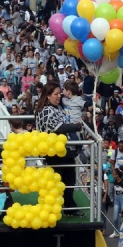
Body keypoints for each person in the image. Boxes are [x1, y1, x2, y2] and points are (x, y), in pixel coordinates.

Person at [34, 82, 85, 217]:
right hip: (53, 152)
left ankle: (69, 207)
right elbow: (59, 127)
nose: (59, 96)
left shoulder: (58, 107)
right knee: (55, 183)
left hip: (64, 150)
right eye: (56, 94)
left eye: (59, 93)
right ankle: (52, 209)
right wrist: (76, 127)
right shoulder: (45, 110)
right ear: (48, 96)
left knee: (70, 179)